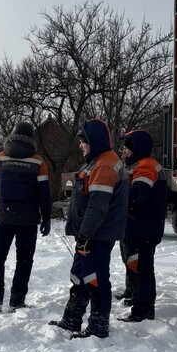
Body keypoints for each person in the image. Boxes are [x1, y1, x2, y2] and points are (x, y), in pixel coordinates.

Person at [49, 119, 128, 339]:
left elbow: (98, 206)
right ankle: (72, 318)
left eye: (83, 141)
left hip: (96, 235)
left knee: (94, 278)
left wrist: (86, 235)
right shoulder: (97, 162)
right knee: (79, 275)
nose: (80, 146)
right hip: (90, 234)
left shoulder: (104, 165)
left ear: (93, 141)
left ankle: (98, 326)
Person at [0, 122, 52, 313]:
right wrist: (46, 217)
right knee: (24, 260)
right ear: (31, 139)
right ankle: (17, 302)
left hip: (2, 218)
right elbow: (44, 193)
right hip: (28, 220)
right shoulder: (38, 162)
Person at [117, 130, 167, 322]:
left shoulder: (146, 166)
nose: (124, 152)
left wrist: (117, 194)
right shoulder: (138, 165)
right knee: (141, 269)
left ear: (137, 148)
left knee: (141, 270)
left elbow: (138, 195)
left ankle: (142, 311)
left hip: (143, 228)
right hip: (140, 227)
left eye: (127, 148)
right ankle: (144, 306)